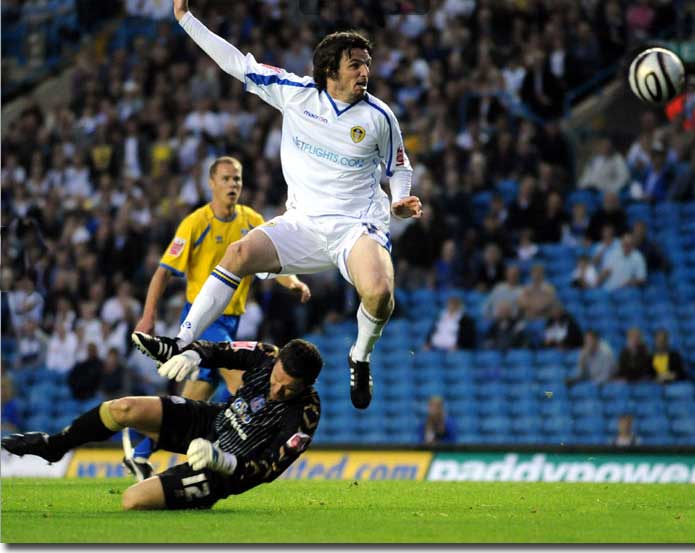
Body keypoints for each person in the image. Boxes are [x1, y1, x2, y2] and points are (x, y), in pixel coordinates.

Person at [133, 0, 422, 412]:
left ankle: (359, 356)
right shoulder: (294, 94)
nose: (365, 72)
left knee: (378, 294)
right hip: (302, 224)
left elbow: (400, 167)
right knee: (239, 252)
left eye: (367, 64)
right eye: (355, 64)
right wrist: (185, 19)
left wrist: (398, 201)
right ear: (330, 70)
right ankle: (180, 340)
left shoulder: (379, 116)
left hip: (355, 228)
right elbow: (235, 62)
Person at [125, 156, 311, 481]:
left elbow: (274, 260)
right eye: (225, 179)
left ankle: (139, 448)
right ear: (211, 183)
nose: (232, 185)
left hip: (232, 321)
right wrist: (148, 317)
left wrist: (293, 282)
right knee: (241, 383)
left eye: (237, 179)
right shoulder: (195, 223)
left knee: (191, 402)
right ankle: (237, 456)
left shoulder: (252, 220)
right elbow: (163, 272)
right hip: (204, 320)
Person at [2, 337, 322, 511]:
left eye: (288, 389)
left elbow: (269, 469)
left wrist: (221, 460)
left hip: (224, 470)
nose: (277, 390)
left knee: (133, 500)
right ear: (277, 363)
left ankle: (185, 488)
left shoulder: (306, 415)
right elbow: (217, 350)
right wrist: (193, 356)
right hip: (213, 420)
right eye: (277, 380)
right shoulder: (266, 355)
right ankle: (53, 447)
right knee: (124, 407)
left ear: (307, 385)